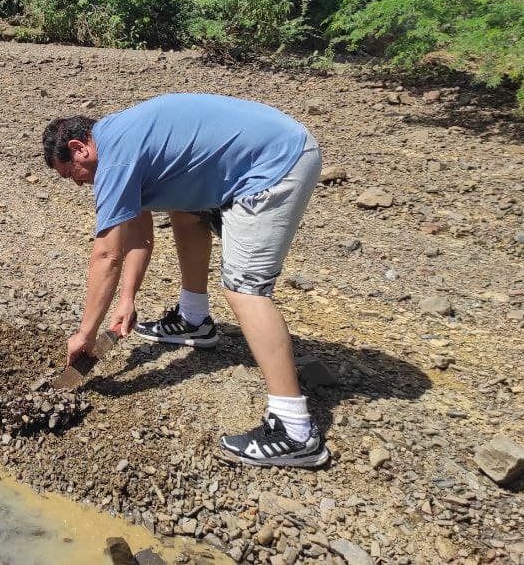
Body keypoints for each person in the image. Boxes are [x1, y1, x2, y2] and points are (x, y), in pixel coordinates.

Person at [42, 94, 328, 468]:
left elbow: (107, 255)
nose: (78, 185)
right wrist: (126, 299)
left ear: (79, 149)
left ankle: (294, 431)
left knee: (244, 288)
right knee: (185, 211)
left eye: (71, 175)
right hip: (271, 147)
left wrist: (85, 333)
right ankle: (194, 320)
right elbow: (139, 234)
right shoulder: (119, 140)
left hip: (275, 163)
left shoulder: (116, 158)